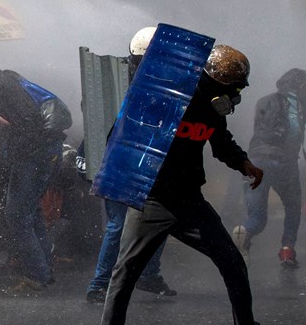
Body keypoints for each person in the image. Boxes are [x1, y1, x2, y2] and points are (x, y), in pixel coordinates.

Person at [101, 44, 264, 325]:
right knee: (125, 273)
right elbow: (123, 137)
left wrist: (243, 163)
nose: (235, 96)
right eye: (234, 88)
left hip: (190, 201)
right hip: (152, 200)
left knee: (233, 263)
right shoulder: (167, 101)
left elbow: (221, 141)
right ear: (217, 80)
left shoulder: (212, 108)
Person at [0, 54, 68, 294]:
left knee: (17, 215)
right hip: (42, 153)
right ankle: (43, 269)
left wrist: (11, 157)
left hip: (34, 156)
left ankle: (36, 276)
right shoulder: (3, 79)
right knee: (31, 212)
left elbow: (27, 125)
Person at [85, 27, 176, 304]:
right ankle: (99, 285)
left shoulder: (160, 85)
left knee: (159, 221)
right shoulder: (116, 84)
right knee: (119, 225)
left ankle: (148, 276)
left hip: (150, 161)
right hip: (121, 162)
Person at [233, 68, 306, 269]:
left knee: (257, 217)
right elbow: (293, 133)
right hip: (282, 163)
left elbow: (259, 131)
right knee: (292, 206)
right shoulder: (298, 104)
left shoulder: (264, 100)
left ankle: (245, 232)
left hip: (254, 162)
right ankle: (287, 249)